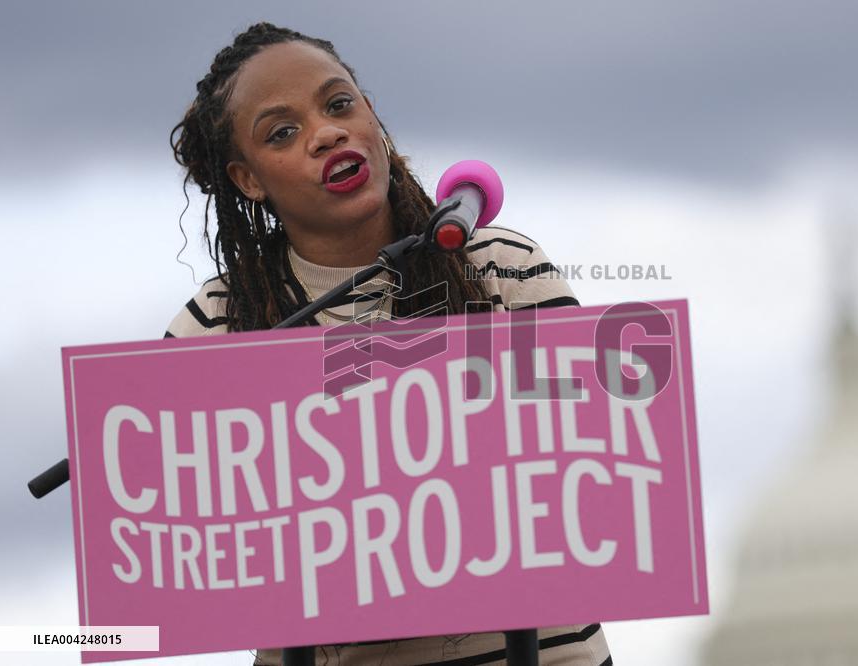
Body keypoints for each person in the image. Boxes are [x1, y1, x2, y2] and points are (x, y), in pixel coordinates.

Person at [166, 22, 612, 666]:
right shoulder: (216, 324)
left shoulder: (502, 264)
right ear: (248, 178)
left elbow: (589, 462)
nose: (327, 133)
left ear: (372, 114)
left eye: (339, 103)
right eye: (282, 132)